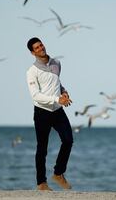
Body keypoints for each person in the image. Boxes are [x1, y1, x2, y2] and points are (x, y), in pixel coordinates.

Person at [26, 37, 74, 191]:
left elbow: (56, 82)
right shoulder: (32, 72)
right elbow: (36, 96)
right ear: (33, 53)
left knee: (68, 140)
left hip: (57, 110)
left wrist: (64, 92)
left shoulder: (56, 63)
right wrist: (56, 98)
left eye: (41, 45)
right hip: (42, 112)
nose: (41, 48)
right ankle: (41, 183)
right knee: (42, 148)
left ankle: (58, 173)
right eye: (37, 48)